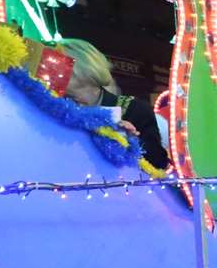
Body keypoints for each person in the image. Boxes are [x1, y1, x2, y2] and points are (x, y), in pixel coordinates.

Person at [56, 37, 170, 172]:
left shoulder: (134, 109)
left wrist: (132, 140)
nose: (53, 71)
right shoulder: (58, 108)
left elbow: (159, 162)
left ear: (83, 68)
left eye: (59, 65)